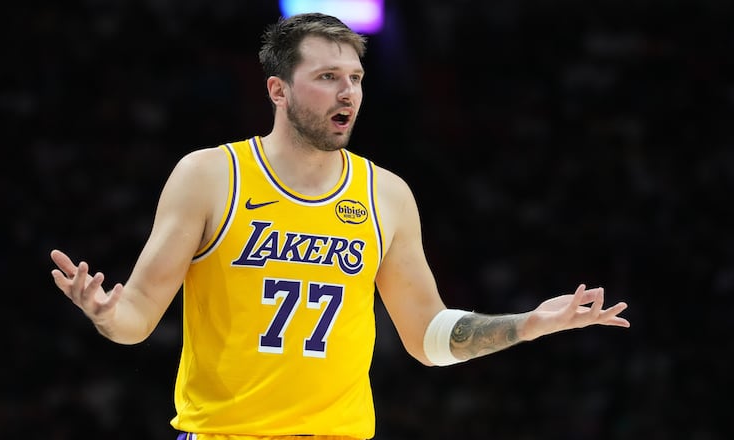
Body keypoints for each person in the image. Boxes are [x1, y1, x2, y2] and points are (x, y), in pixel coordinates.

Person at [49, 12, 630, 440]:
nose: (347, 91)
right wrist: (105, 313)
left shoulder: (386, 194)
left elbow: (428, 337)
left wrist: (527, 325)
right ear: (278, 90)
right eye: (327, 76)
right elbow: (136, 318)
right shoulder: (210, 175)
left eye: (355, 77)